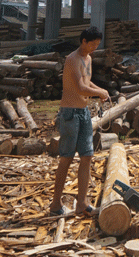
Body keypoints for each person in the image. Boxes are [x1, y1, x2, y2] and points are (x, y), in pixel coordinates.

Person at [50, 27, 109, 217]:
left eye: (97, 45)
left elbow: (88, 83)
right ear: (83, 41)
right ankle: (55, 204)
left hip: (83, 112)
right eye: (92, 44)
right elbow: (81, 87)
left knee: (87, 155)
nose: (94, 48)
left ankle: (82, 203)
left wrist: (101, 90)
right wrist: (99, 92)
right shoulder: (72, 60)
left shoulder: (88, 59)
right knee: (66, 158)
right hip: (70, 113)